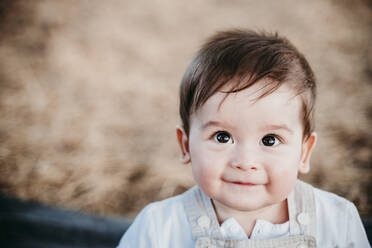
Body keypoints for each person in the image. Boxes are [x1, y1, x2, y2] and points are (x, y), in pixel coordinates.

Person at [117, 29, 370, 247]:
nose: (245, 161)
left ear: (304, 153)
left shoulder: (337, 221)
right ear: (185, 145)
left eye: (270, 140)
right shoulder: (159, 228)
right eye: (222, 137)